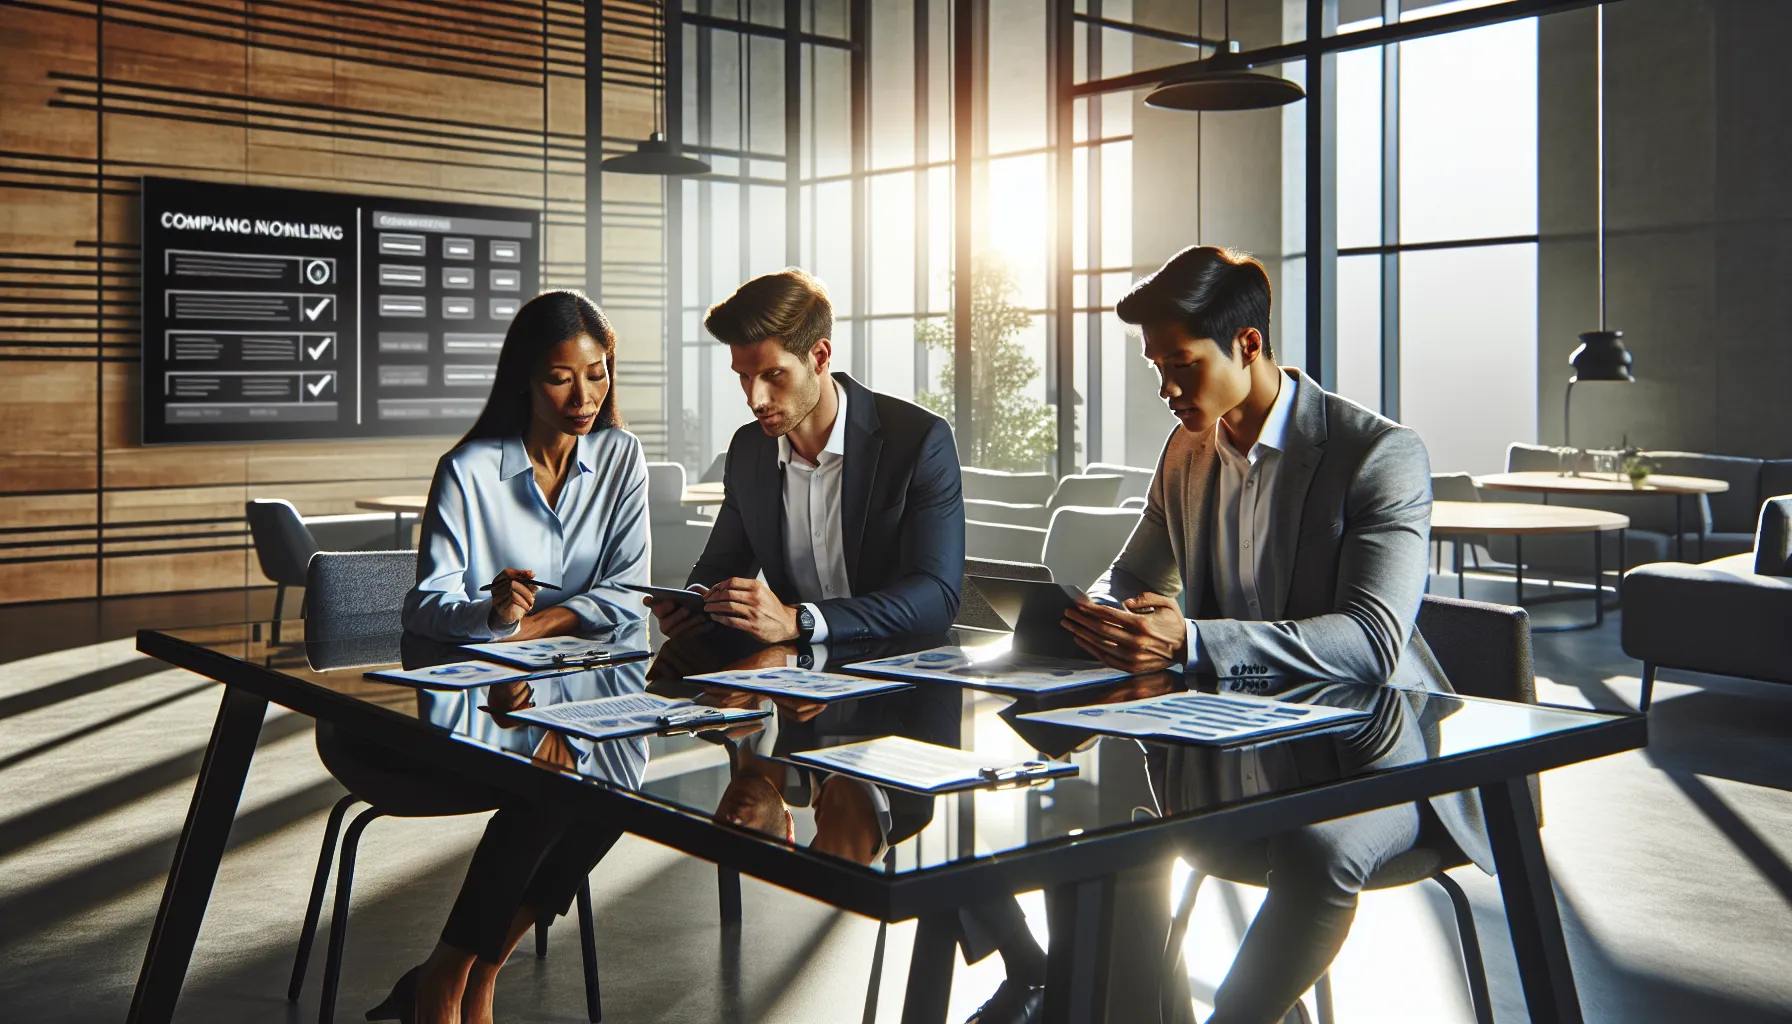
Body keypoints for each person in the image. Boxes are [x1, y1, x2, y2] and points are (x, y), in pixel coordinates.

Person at [1061, 246, 1491, 1024]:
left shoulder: (1377, 455)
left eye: (1182, 365)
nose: (1165, 389)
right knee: (1092, 836)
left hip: (1375, 755)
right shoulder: (1187, 451)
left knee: (1316, 850)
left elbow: (1368, 641)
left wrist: (1189, 641)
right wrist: (1100, 612)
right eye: (1156, 366)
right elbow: (1132, 574)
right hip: (1232, 742)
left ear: (1248, 345)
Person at [367, 289, 650, 1024]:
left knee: (621, 780)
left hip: (579, 692)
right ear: (524, 377)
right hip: (471, 712)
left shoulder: (622, 458)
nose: (584, 395)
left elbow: (627, 592)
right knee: (551, 785)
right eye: (562, 377)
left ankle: (459, 972)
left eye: (598, 373)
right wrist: (489, 615)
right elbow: (424, 605)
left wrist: (537, 623)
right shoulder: (467, 469)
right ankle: (458, 979)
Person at [645, 267, 965, 645]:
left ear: (820, 355)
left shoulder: (919, 440)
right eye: (744, 376)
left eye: (773, 374)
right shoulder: (748, 450)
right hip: (796, 680)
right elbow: (720, 566)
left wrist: (801, 620)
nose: (755, 399)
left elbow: (935, 597)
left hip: (899, 677)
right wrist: (696, 606)